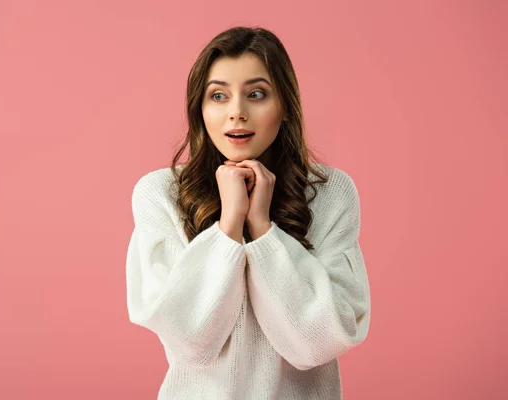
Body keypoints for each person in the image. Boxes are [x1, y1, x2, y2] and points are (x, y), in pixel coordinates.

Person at [125, 26, 371, 400]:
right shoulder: (161, 194)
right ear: (200, 109)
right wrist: (229, 225)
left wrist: (262, 229)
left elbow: (317, 342)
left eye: (256, 94)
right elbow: (191, 342)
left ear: (285, 105)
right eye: (218, 96)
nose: (236, 112)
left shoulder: (330, 193)